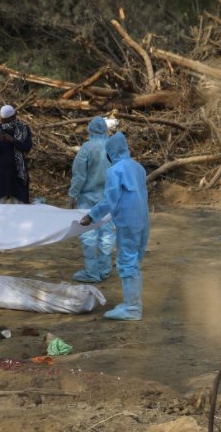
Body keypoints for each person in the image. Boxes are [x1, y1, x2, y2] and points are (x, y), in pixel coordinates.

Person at [79, 132, 149, 321]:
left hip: (127, 220)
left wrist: (91, 216)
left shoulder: (115, 171)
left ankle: (132, 308)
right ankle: (133, 303)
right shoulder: (138, 167)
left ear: (110, 153)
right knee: (133, 261)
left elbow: (110, 199)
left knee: (127, 261)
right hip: (142, 217)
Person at [68, 116, 116, 283]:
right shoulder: (113, 147)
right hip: (109, 196)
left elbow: (79, 176)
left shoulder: (86, 148)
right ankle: (104, 269)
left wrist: (73, 195)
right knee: (107, 231)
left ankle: (91, 272)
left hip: (87, 197)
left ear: (89, 130)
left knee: (88, 232)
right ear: (106, 130)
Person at [0, 105, 33, 204]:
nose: (4, 123)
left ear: (14, 117)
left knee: (19, 204)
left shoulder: (23, 129)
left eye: (7, 121)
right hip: (1, 171)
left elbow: (27, 148)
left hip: (18, 172)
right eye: (3, 121)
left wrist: (14, 140)